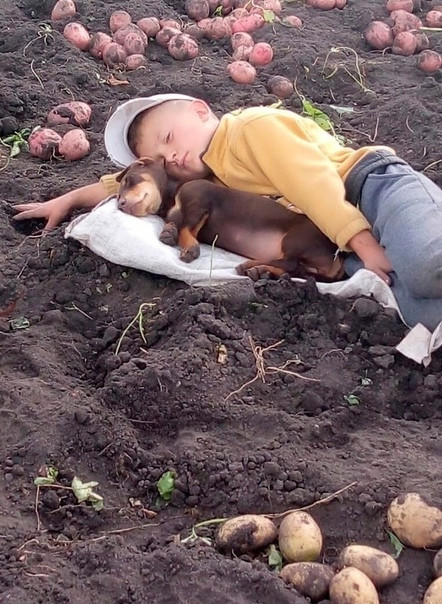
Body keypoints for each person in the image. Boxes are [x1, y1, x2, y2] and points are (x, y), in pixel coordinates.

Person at [13, 93, 442, 330]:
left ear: (201, 110)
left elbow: (315, 184)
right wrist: (67, 200)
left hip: (374, 189)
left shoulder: (250, 129)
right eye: (162, 157)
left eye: (169, 136)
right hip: (338, 245)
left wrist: (363, 244)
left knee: (426, 269)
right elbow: (121, 183)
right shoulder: (214, 178)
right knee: (427, 316)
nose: (172, 155)